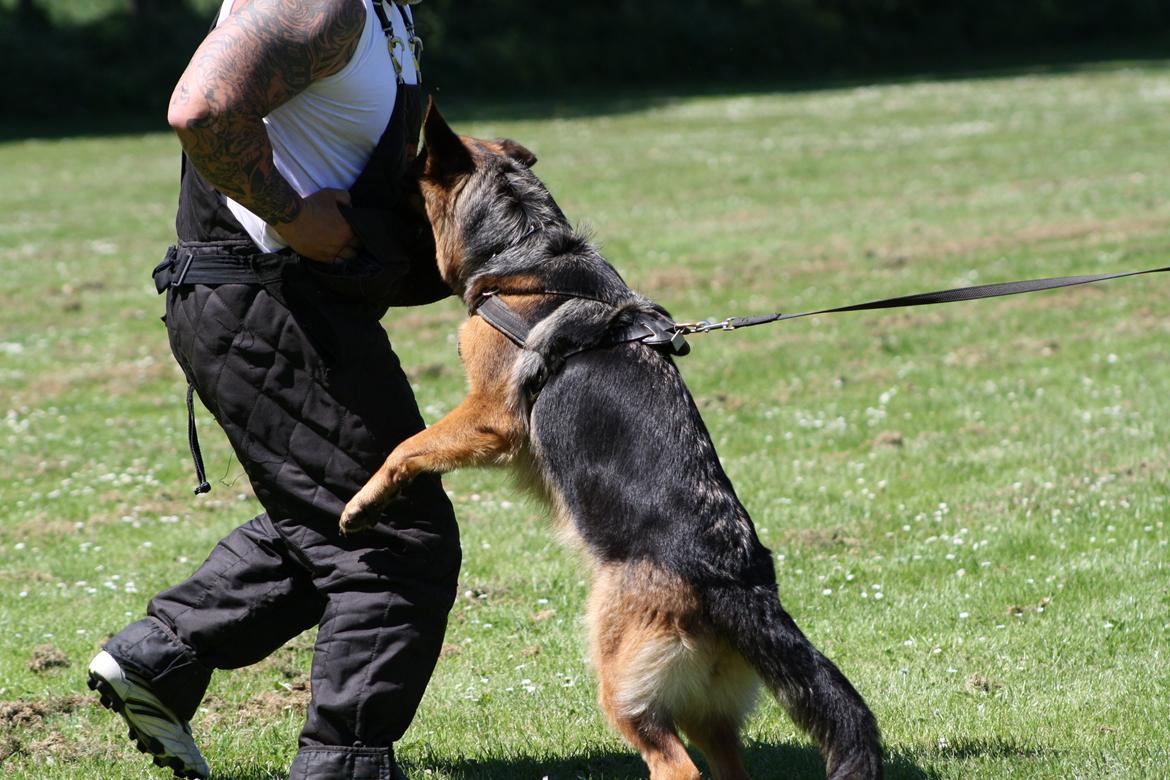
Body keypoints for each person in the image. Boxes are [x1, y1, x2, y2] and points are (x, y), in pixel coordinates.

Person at [86, 1, 461, 778]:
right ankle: (342, 764)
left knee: (342, 511)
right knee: (395, 535)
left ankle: (162, 657)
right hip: (262, 302)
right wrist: (289, 216)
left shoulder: (383, 11)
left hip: (295, 306)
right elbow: (202, 108)